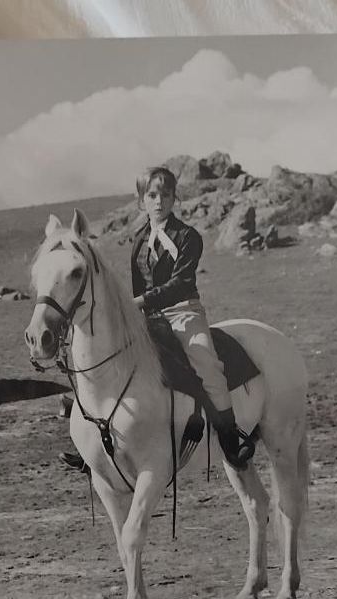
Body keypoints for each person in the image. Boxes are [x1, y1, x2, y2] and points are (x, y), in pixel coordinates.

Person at [61, 165, 255, 472]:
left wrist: (139, 301)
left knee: (207, 365)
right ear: (142, 200)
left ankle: (232, 440)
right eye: (151, 195)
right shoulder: (139, 240)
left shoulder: (188, 237)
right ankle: (94, 448)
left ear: (174, 198)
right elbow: (139, 283)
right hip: (149, 318)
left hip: (184, 314)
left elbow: (179, 282)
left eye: (165, 194)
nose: (159, 201)